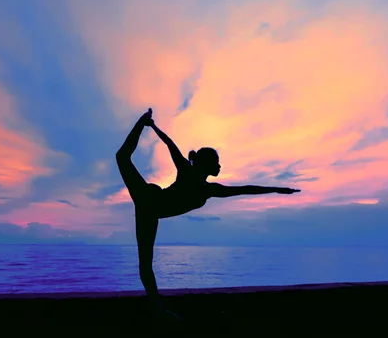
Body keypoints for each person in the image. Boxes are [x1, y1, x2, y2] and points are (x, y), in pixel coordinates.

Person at [115, 108, 300, 320]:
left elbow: (246, 188)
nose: (220, 165)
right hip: (148, 199)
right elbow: (169, 144)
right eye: (216, 162)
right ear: (205, 163)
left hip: (151, 212)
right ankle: (141, 121)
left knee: (146, 266)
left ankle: (159, 312)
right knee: (121, 157)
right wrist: (150, 125)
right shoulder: (186, 171)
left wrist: (277, 189)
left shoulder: (211, 190)